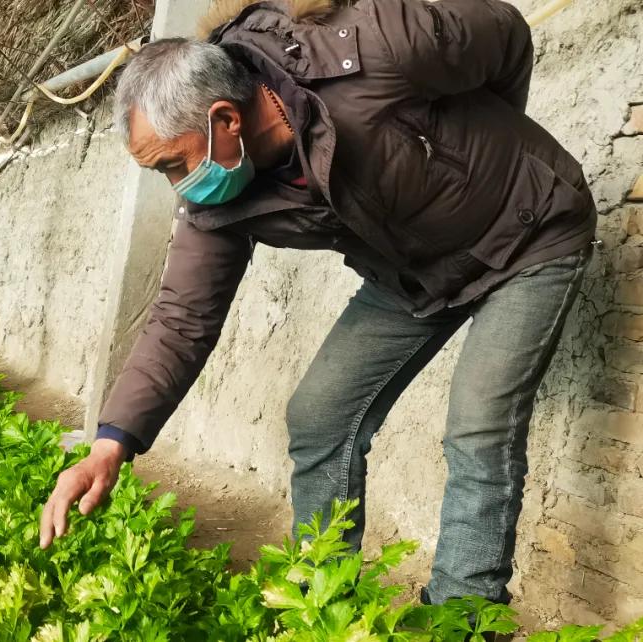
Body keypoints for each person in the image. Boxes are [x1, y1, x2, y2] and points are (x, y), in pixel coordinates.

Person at [38, 0, 597, 614]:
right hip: (415, 273)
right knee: (320, 414)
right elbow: (182, 317)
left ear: (225, 118)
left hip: (531, 234)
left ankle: (460, 619)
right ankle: (322, 604)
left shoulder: (375, 48)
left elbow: (506, 37)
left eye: (174, 164)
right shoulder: (218, 203)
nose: (178, 185)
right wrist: (110, 445)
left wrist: (476, 161)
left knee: (478, 423)